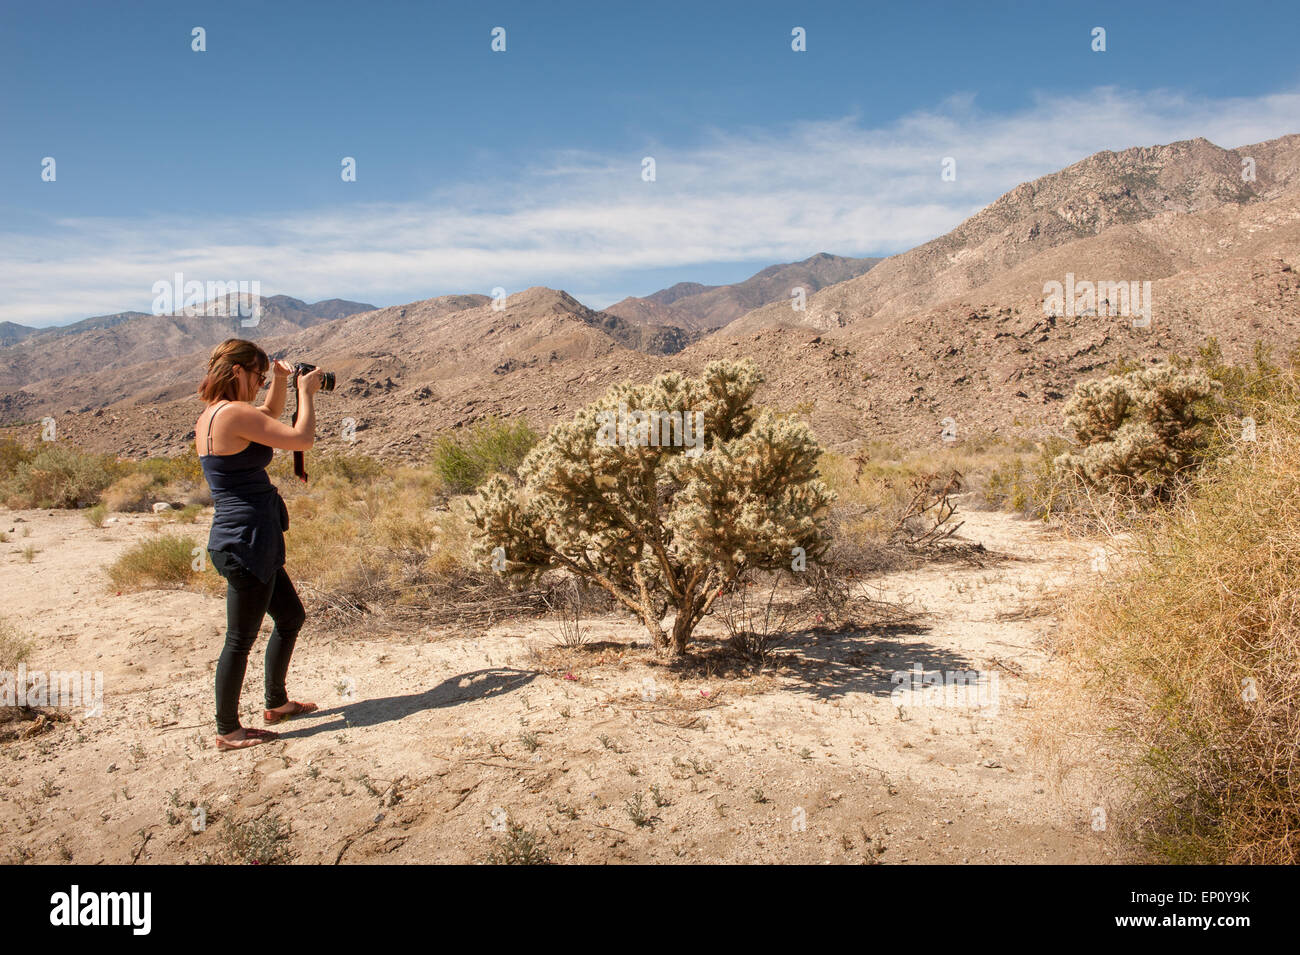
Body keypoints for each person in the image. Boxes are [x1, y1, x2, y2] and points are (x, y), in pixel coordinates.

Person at [195, 339, 323, 750]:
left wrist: (282, 382)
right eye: (257, 376)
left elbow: (266, 415)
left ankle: (276, 702)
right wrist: (305, 394)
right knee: (239, 639)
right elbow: (300, 439)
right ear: (237, 372)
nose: (259, 384)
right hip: (246, 540)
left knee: (290, 617)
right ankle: (227, 730)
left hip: (251, 538)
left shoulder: (218, 414)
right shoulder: (231, 413)